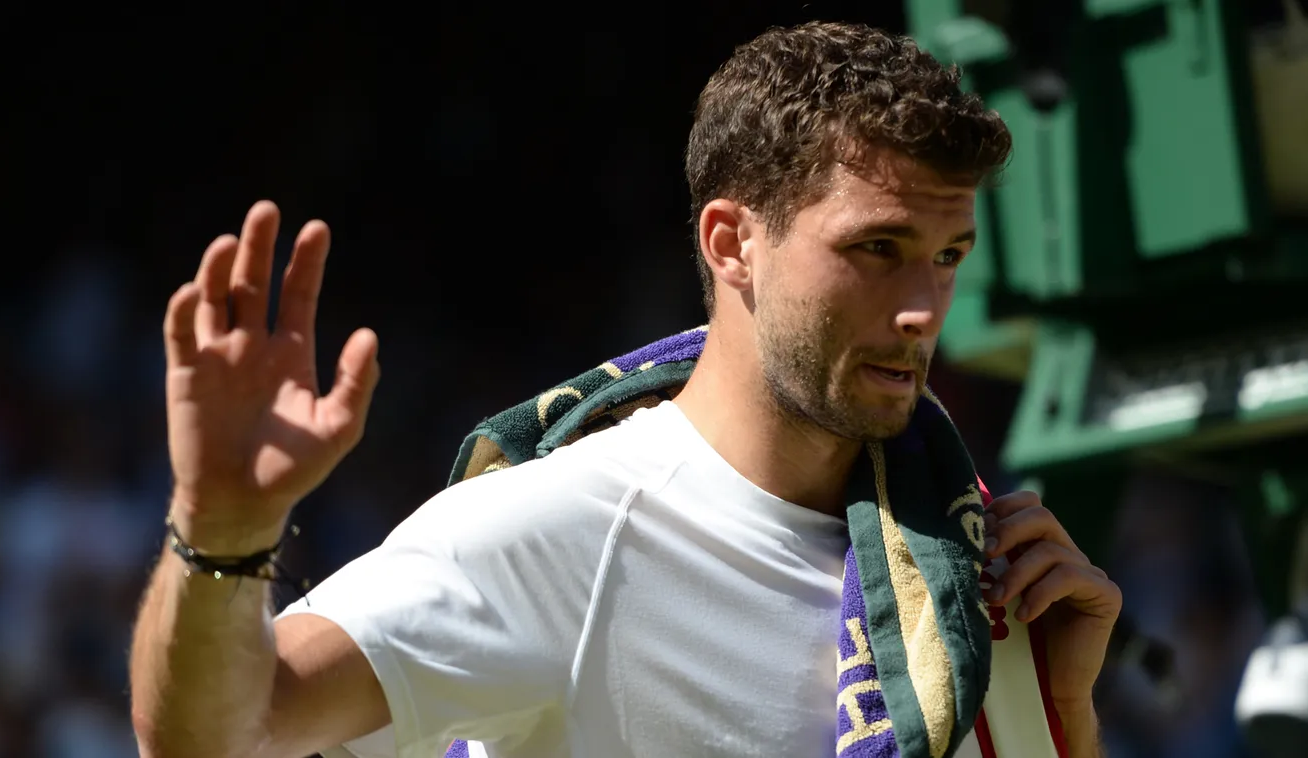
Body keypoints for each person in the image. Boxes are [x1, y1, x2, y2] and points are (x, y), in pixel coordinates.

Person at [129, 20, 1121, 758]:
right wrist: (218, 524)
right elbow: (221, 731)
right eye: (878, 248)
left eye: (948, 255)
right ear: (732, 242)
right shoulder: (567, 528)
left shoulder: (960, 556)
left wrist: (1061, 716)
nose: (922, 306)